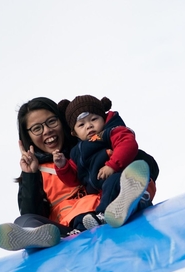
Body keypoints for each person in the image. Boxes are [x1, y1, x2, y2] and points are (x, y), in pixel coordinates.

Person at [0, 97, 103, 251]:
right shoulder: (36, 172)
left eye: (51, 122)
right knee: (24, 220)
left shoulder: (85, 148)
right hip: (68, 233)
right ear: (28, 137)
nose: (47, 130)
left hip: (100, 216)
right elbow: (34, 212)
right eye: (37, 128)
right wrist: (30, 175)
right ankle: (33, 236)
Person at [53, 94, 157, 229]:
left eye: (94, 119)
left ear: (103, 117)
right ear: (74, 133)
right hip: (104, 194)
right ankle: (77, 228)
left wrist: (112, 165)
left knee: (114, 181)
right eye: (81, 125)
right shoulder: (76, 153)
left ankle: (110, 212)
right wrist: (62, 167)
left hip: (126, 178)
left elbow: (127, 144)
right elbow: (75, 179)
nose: (89, 126)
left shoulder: (110, 132)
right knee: (82, 215)